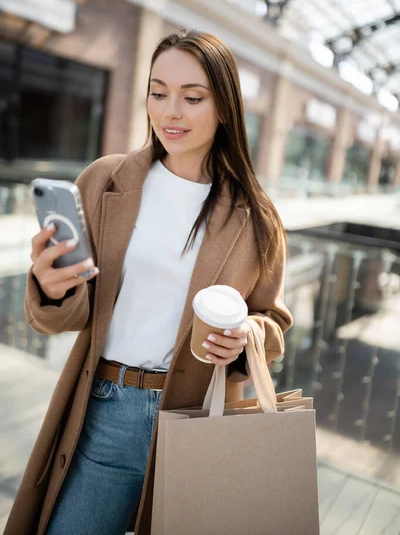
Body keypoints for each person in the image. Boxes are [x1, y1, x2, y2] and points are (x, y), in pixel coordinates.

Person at [5, 30, 293, 535]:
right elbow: (73, 310)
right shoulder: (105, 181)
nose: (170, 112)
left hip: (199, 419)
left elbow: (272, 320)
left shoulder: (257, 218)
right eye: (158, 92)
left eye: (192, 97)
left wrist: (246, 334)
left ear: (224, 107)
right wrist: (53, 287)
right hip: (106, 410)